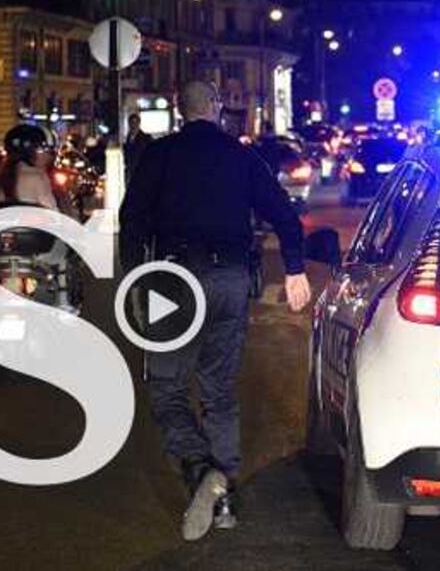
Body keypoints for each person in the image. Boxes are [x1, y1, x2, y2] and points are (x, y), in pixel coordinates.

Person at [120, 81, 312, 541]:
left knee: (166, 385)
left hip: (174, 280)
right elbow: (283, 213)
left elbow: (132, 221)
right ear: (219, 109)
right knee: (219, 389)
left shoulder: (160, 156)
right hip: (229, 278)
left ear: (179, 112)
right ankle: (223, 497)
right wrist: (295, 269)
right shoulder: (241, 156)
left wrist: (136, 277)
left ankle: (199, 467)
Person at [0, 124, 60, 211]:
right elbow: (53, 215)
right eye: (46, 151)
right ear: (33, 152)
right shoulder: (37, 177)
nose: (49, 157)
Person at [124, 112, 153, 176]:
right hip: (131, 171)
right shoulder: (127, 138)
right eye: (132, 123)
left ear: (139, 123)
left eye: (135, 122)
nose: (133, 125)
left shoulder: (146, 138)